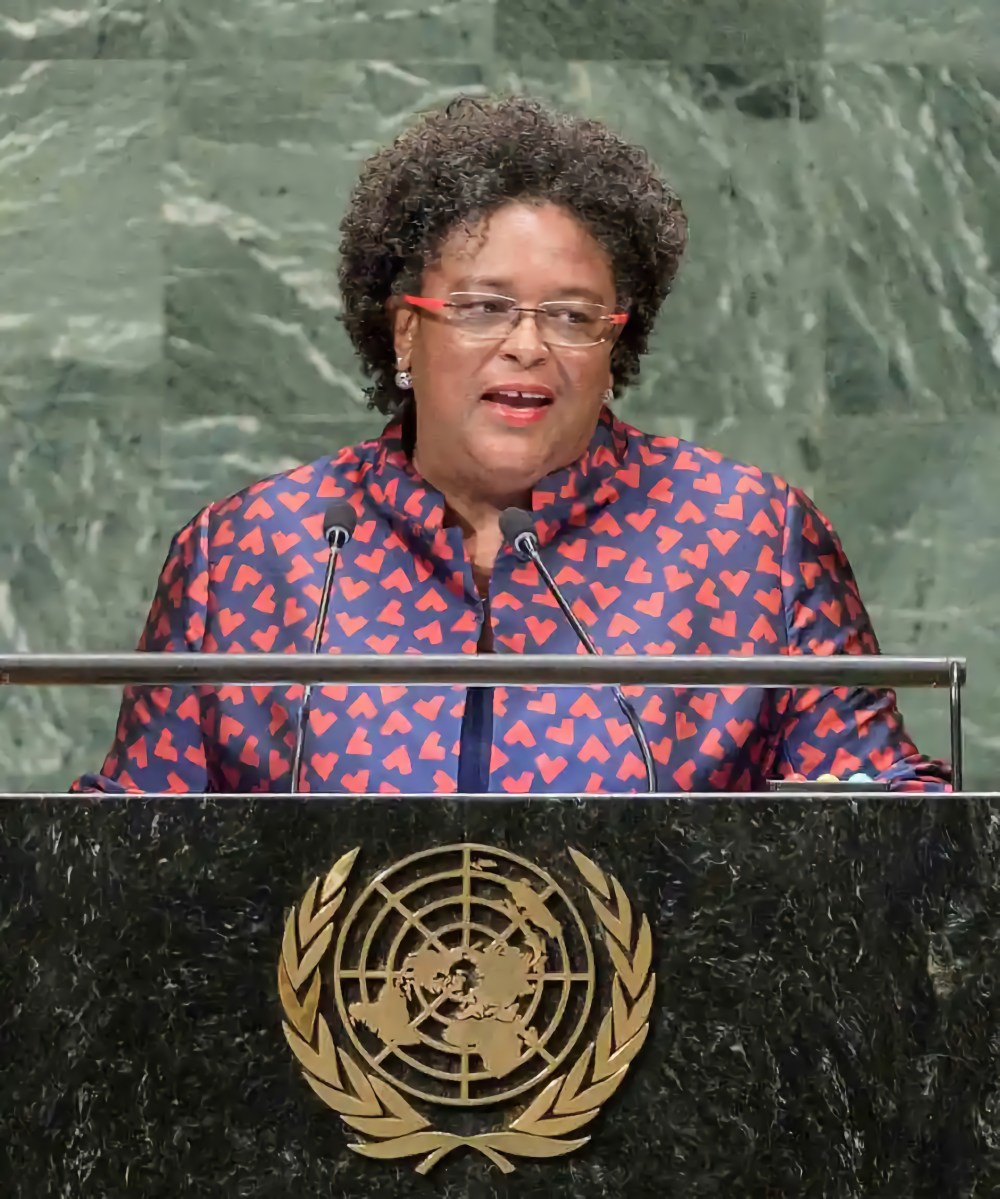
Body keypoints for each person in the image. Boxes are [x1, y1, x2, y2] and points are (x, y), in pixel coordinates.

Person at [72, 95, 950, 795]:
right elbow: (132, 872)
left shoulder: (752, 540)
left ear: (615, 348)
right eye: (483, 307)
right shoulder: (252, 554)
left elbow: (878, 836)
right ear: (405, 336)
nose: (527, 345)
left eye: (570, 316)